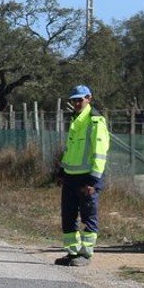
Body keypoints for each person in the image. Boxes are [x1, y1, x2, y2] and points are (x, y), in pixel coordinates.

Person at [55, 84, 110, 266]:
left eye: (80, 99)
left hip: (87, 178)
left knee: (88, 216)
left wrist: (93, 180)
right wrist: (62, 170)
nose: (77, 103)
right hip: (71, 176)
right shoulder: (75, 120)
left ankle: (85, 254)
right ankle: (72, 253)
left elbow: (100, 153)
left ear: (89, 99)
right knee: (68, 216)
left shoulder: (95, 121)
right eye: (74, 100)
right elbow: (70, 150)